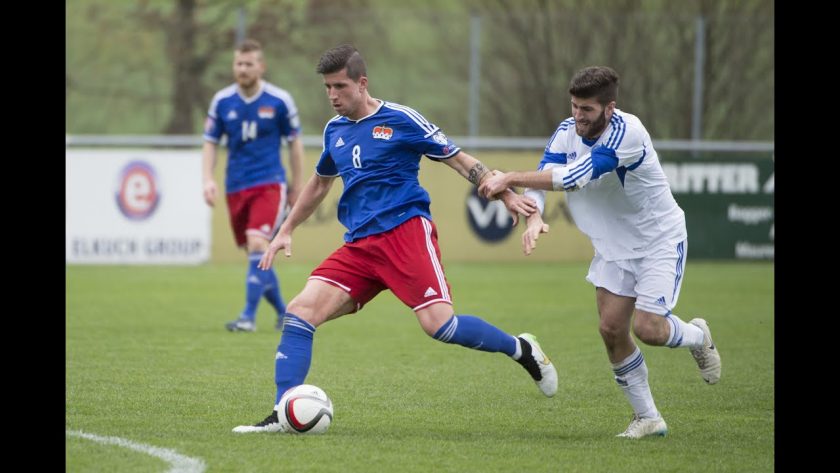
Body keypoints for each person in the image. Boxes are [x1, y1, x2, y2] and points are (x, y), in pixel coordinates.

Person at [232, 44, 557, 433]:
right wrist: (285, 229)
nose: (333, 96)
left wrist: (504, 193)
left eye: (340, 86)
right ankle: (282, 412)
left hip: (405, 234)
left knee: (441, 326)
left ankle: (522, 349)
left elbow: (459, 160)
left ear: (362, 83)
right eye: (327, 88)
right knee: (300, 313)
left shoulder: (401, 119)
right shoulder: (334, 130)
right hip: (360, 245)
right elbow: (320, 182)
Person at [479, 66, 721, 439]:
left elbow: (573, 178)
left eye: (586, 109)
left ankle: (696, 337)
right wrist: (533, 216)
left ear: (609, 108)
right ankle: (648, 418)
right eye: (574, 106)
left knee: (649, 329)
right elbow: (546, 174)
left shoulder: (628, 133)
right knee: (610, 329)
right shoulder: (566, 130)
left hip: (658, 240)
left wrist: (509, 177)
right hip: (612, 247)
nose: (578, 116)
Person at [202, 39, 304, 332]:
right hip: (235, 185)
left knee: (258, 243)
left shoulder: (279, 100)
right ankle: (285, 312)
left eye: (249, 64)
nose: (243, 69)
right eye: (238, 63)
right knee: (255, 254)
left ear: (261, 66)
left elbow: (295, 143)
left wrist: (297, 185)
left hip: (269, 183)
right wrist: (207, 179)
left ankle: (247, 317)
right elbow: (209, 143)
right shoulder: (222, 101)